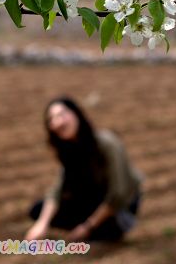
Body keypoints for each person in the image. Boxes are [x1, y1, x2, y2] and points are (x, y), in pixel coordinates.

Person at [25, 97, 143, 241]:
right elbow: (58, 190)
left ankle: (97, 229)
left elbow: (118, 194)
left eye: (61, 114)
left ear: (76, 114)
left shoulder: (107, 144)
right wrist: (42, 224)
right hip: (93, 200)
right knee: (38, 210)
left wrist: (88, 226)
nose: (57, 122)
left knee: (108, 230)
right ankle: (92, 228)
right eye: (51, 119)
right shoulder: (70, 150)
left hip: (120, 208)